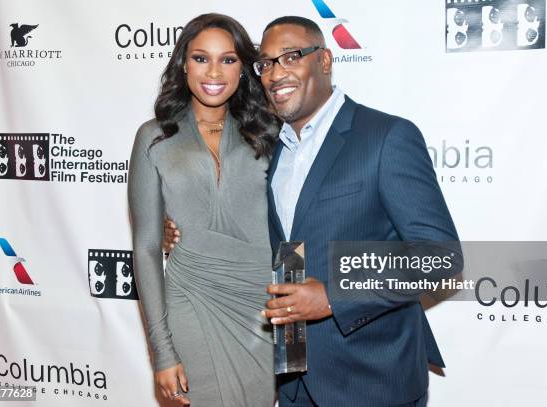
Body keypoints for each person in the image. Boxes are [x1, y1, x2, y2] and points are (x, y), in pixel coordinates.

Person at [256, 17, 460, 407]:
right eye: (265, 63)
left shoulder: (386, 137)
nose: (275, 73)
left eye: (290, 56)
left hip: (372, 381)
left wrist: (333, 295)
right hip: (295, 379)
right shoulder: (274, 149)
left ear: (326, 60)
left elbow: (441, 256)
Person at [128, 13, 279, 406]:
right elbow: (145, 247)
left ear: (244, 68)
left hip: (262, 307)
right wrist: (161, 351)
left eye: (228, 60)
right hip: (190, 299)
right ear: (183, 64)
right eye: (200, 58)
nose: (214, 71)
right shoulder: (154, 136)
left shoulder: (270, 132)